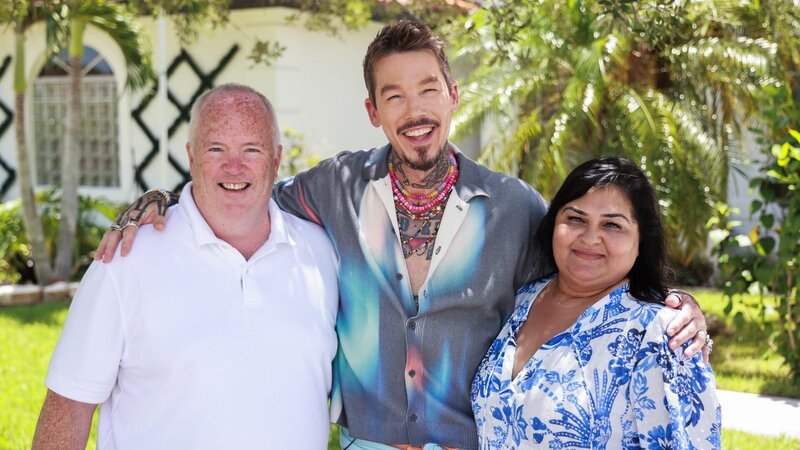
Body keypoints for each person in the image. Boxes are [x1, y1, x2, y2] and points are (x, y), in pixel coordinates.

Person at [94, 21, 710, 450]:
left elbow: (588, 267)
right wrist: (161, 201)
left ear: (453, 96)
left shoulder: (516, 208)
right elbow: (238, 192)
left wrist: (675, 308)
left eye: (427, 90)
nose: (414, 111)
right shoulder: (331, 189)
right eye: (394, 95)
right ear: (373, 112)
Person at [32, 84, 339, 450]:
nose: (234, 166)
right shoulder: (126, 261)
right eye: (216, 149)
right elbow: (68, 408)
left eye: (251, 150)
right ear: (191, 158)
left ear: (275, 160)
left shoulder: (321, 252)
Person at [471, 157, 721, 449]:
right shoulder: (524, 298)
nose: (590, 238)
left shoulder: (662, 335)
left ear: (642, 240)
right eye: (575, 219)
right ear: (554, 224)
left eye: (612, 225)